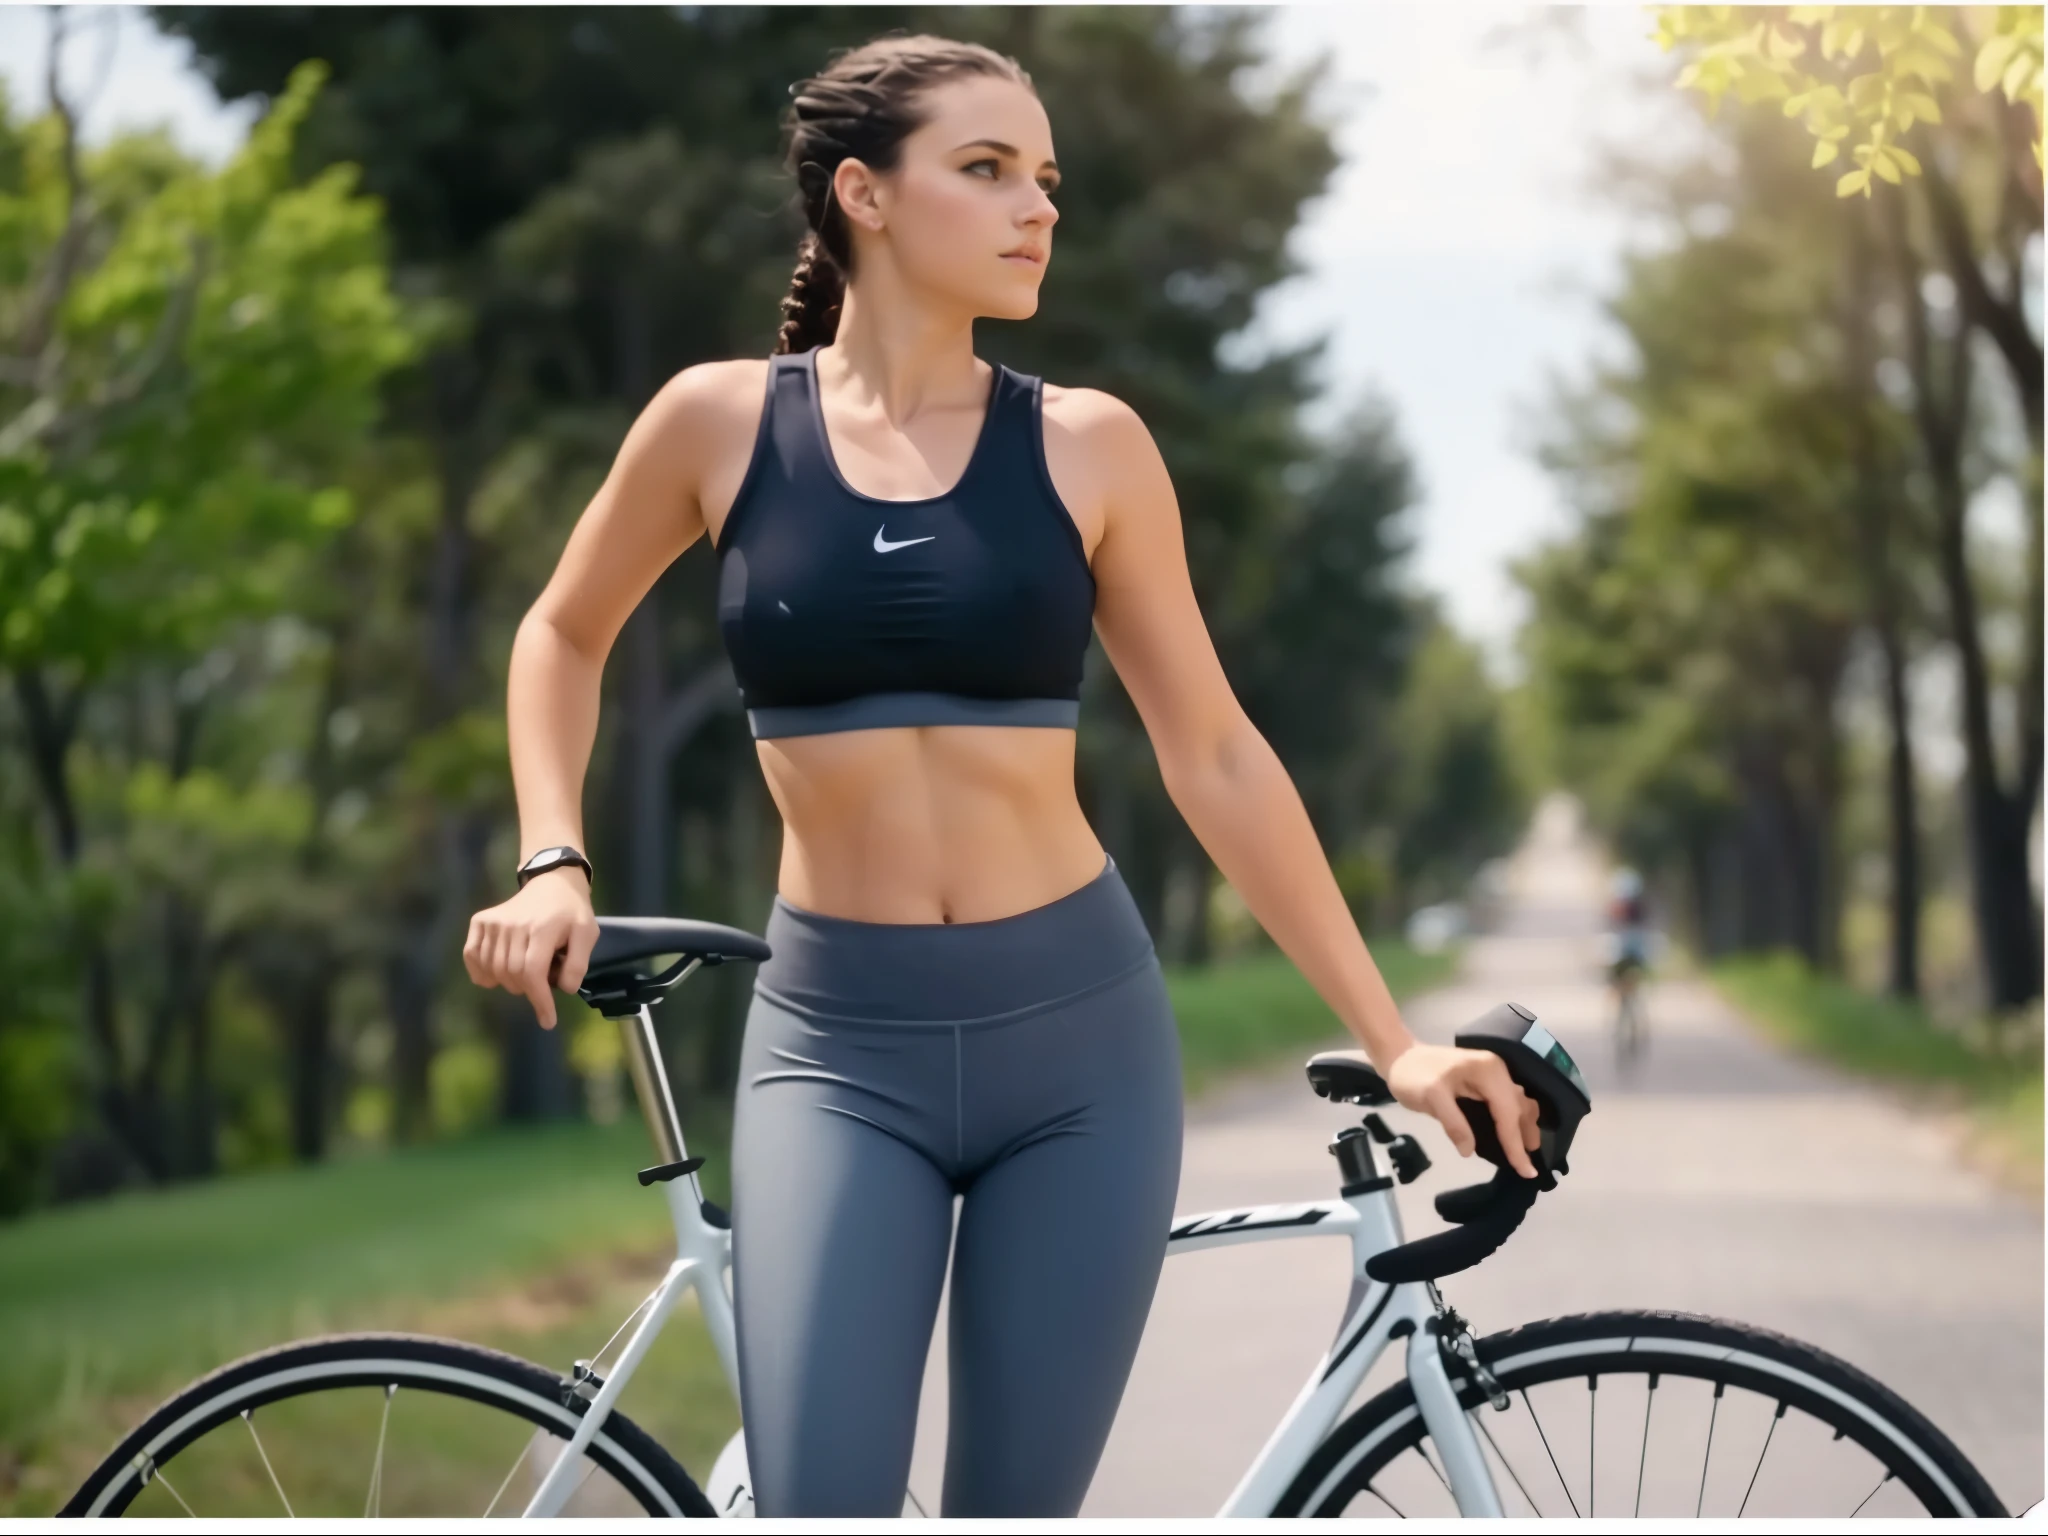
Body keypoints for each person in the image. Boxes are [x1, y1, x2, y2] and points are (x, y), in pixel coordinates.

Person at [462, 32, 1539, 1518]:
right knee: (820, 1503)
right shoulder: (719, 423)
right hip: (838, 1047)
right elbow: (561, 631)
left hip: (1080, 1049)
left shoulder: (1091, 447)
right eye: (987, 171)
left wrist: (1394, 1038)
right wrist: (552, 852)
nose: (1038, 207)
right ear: (865, 193)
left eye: (1045, 177)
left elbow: (1215, 753)